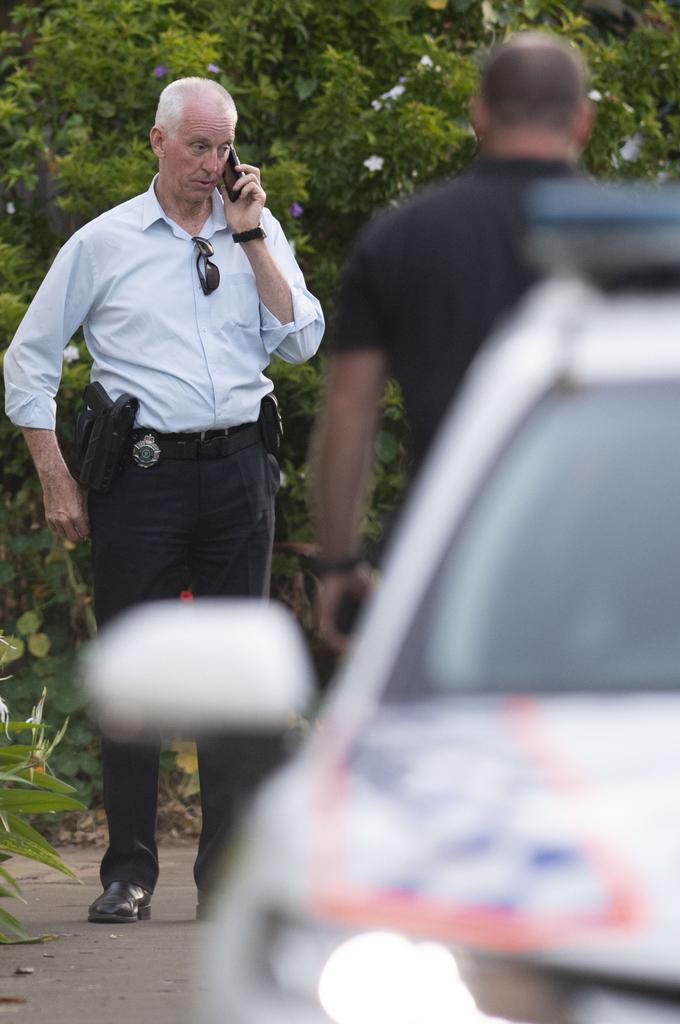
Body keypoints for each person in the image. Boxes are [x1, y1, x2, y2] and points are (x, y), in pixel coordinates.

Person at [3, 77, 324, 923]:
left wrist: (252, 237)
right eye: (197, 147)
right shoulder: (104, 244)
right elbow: (27, 361)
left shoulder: (254, 229)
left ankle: (224, 876)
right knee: (134, 674)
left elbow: (301, 338)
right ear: (157, 140)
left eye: (223, 148)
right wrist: (53, 471)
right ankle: (129, 872)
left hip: (238, 472)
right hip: (141, 476)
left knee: (233, 680)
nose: (211, 165)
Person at [311, 33, 593, 650]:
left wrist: (338, 563)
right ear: (583, 121)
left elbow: (350, 411)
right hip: (610, 565)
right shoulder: (644, 245)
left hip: (448, 557)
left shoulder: (403, 237)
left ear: (479, 114)